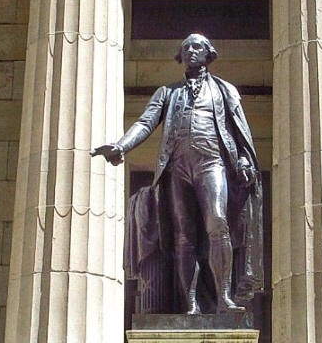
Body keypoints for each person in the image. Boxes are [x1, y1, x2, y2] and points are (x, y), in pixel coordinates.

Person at [91, 33, 263, 315]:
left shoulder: (225, 90)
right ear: (180, 56)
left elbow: (240, 132)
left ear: (209, 54)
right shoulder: (167, 92)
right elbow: (146, 123)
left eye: (197, 47)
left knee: (218, 223)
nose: (191, 51)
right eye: (186, 48)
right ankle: (191, 304)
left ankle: (223, 298)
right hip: (177, 167)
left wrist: (244, 159)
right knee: (185, 236)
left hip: (212, 162)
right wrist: (121, 145)